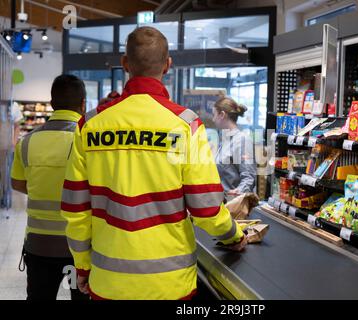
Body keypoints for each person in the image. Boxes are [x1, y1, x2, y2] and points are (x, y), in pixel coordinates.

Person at [60, 26, 247, 300]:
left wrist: (83, 266)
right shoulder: (186, 125)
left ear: (125, 64)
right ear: (168, 65)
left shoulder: (89, 125)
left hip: (109, 282)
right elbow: (206, 208)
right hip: (170, 285)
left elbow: (76, 211)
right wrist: (233, 235)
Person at [10, 75, 89, 301]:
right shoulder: (87, 142)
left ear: (52, 103)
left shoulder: (26, 142)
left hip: (39, 244)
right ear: (83, 104)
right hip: (78, 247)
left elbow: (17, 183)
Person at [212, 97, 256, 198]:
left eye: (214, 114)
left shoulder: (242, 141)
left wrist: (237, 193)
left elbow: (249, 177)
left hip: (232, 207)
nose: (213, 119)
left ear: (222, 115)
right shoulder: (224, 140)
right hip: (220, 204)